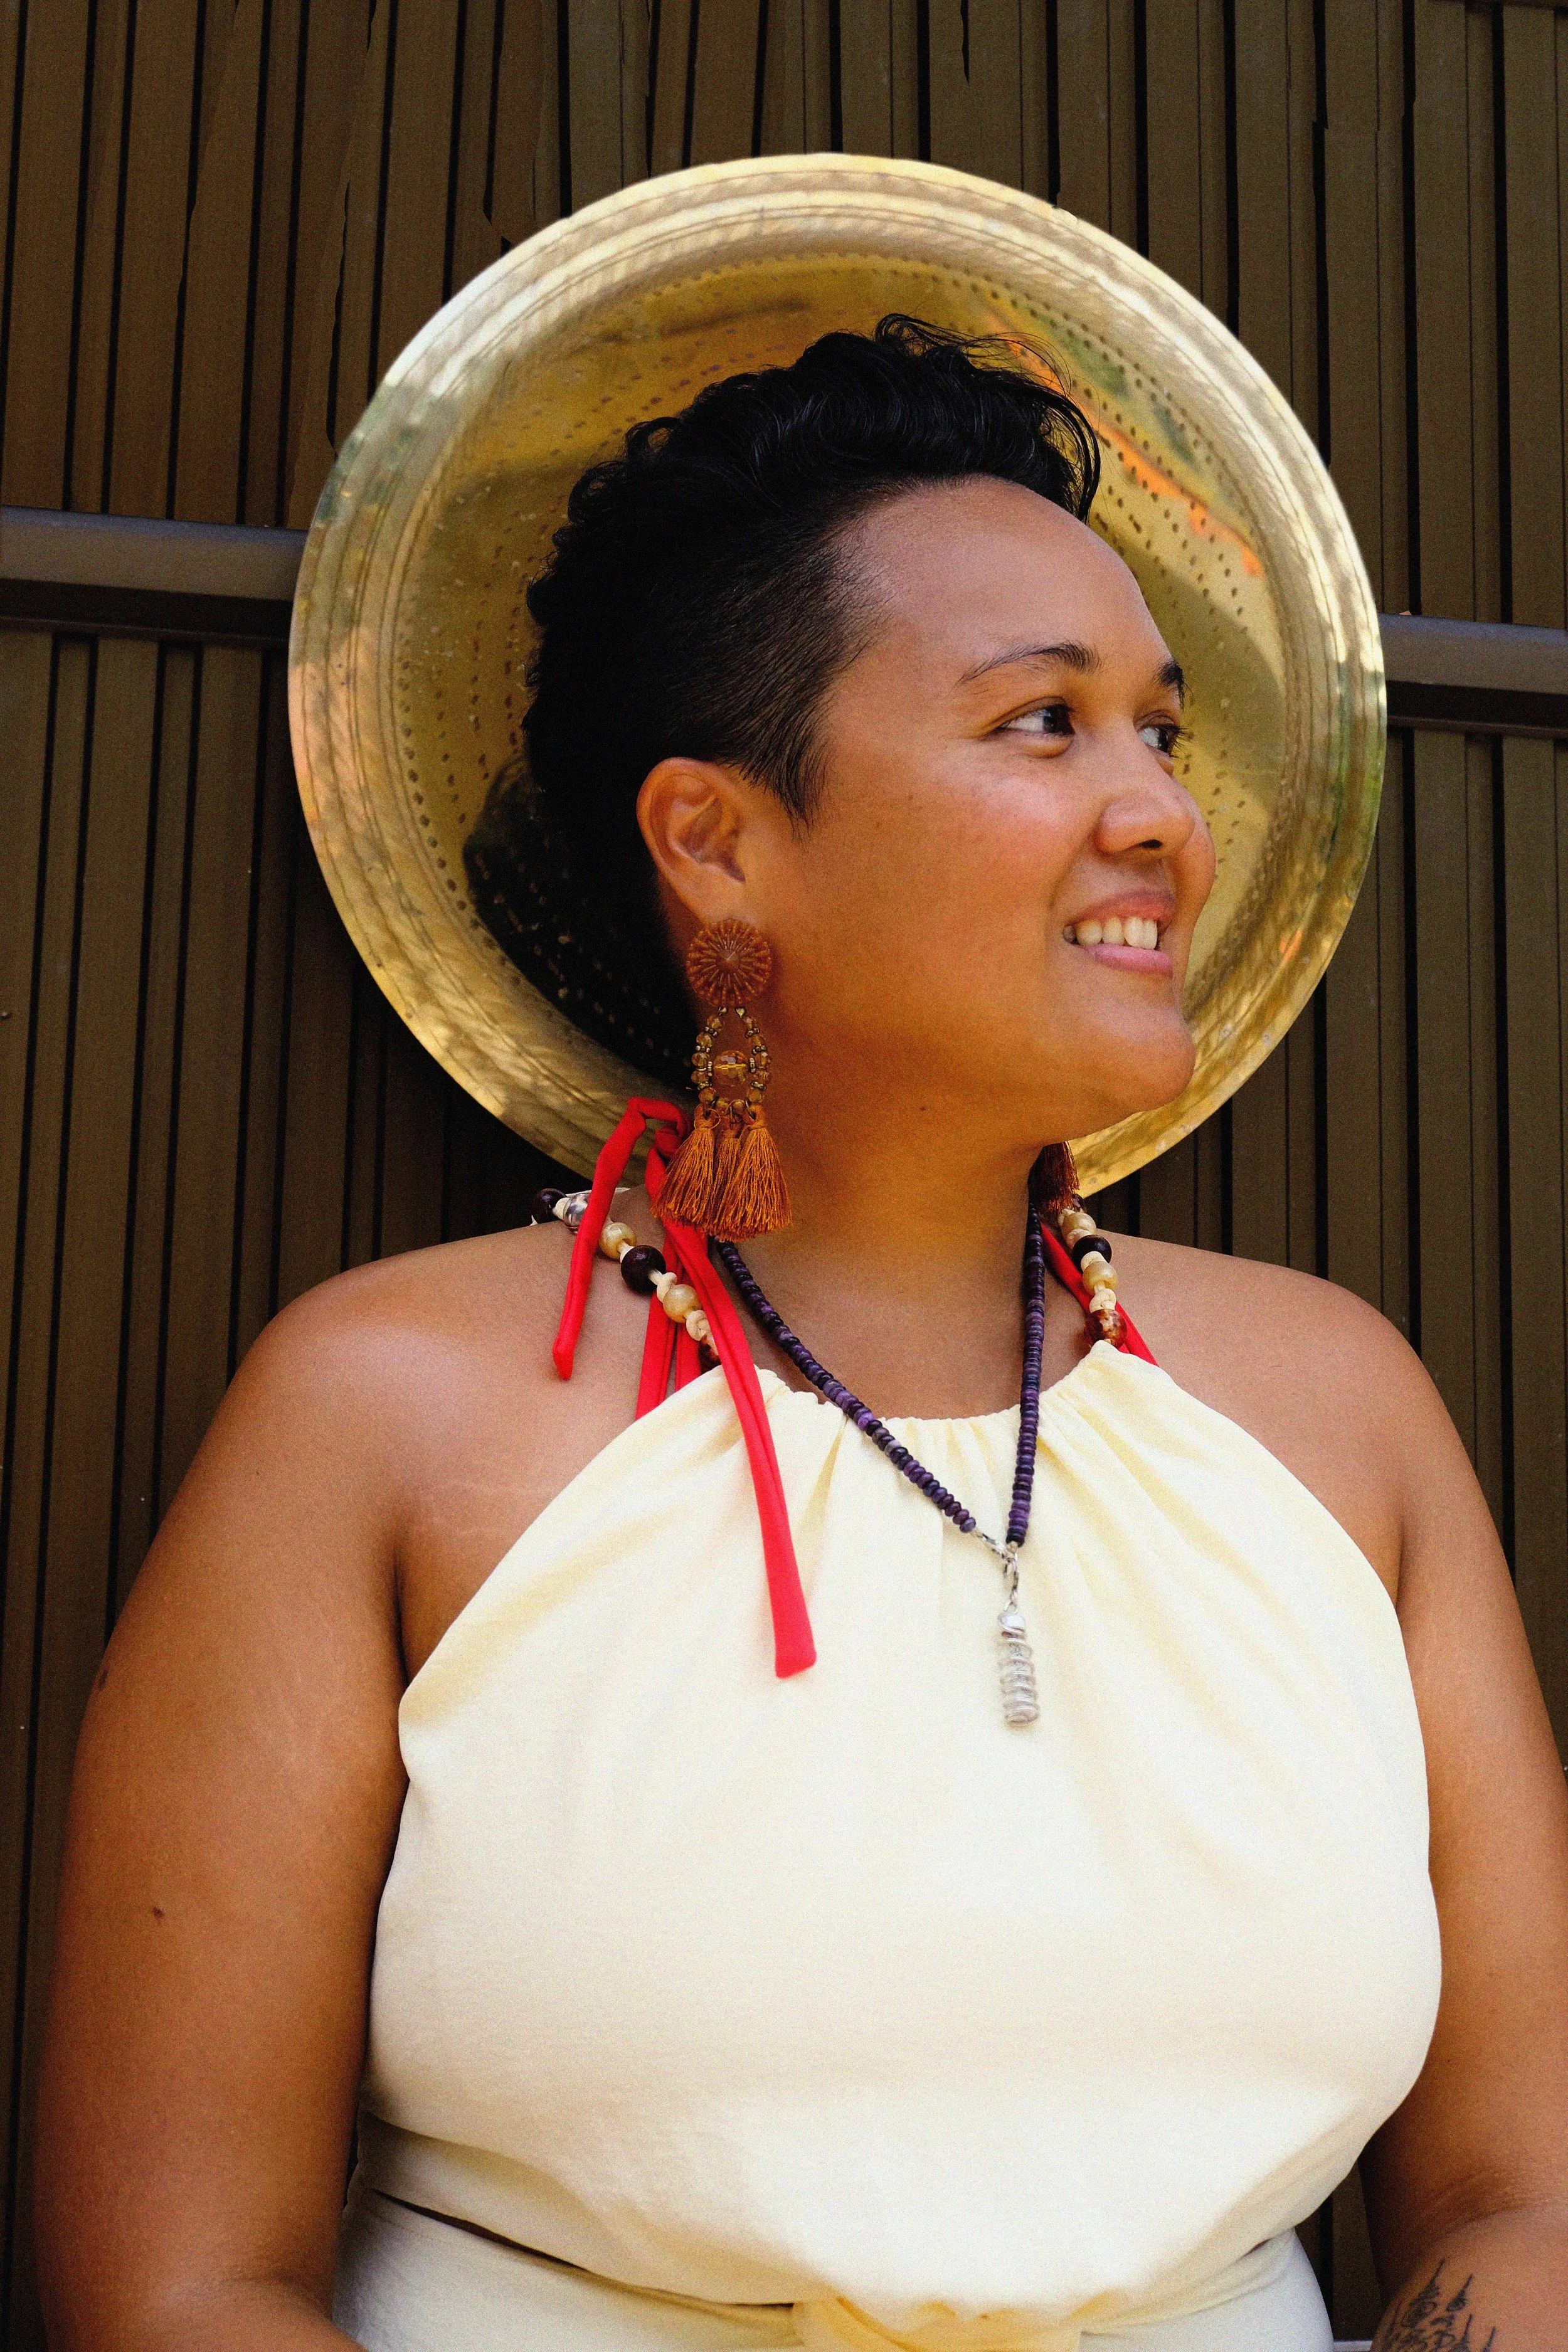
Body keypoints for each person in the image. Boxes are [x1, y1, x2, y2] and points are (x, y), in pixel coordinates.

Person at [33, 317, 1568, 2352]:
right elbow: (177, 2283)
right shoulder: (384, 1414)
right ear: (719, 841)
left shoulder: (1337, 1412)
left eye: (1160, 733)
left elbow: (1521, 2195)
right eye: (1043, 724)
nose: (1159, 819)